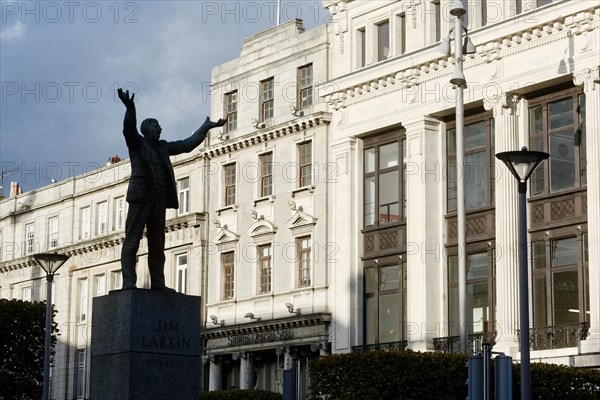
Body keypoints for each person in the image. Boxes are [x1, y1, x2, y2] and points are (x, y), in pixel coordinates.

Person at [117, 88, 225, 291]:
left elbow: (186, 145)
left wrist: (205, 127)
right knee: (132, 240)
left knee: (158, 245)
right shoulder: (137, 143)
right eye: (157, 126)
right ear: (147, 129)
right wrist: (130, 109)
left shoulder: (163, 147)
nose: (160, 129)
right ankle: (128, 282)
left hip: (158, 200)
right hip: (140, 197)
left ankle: (158, 283)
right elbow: (128, 129)